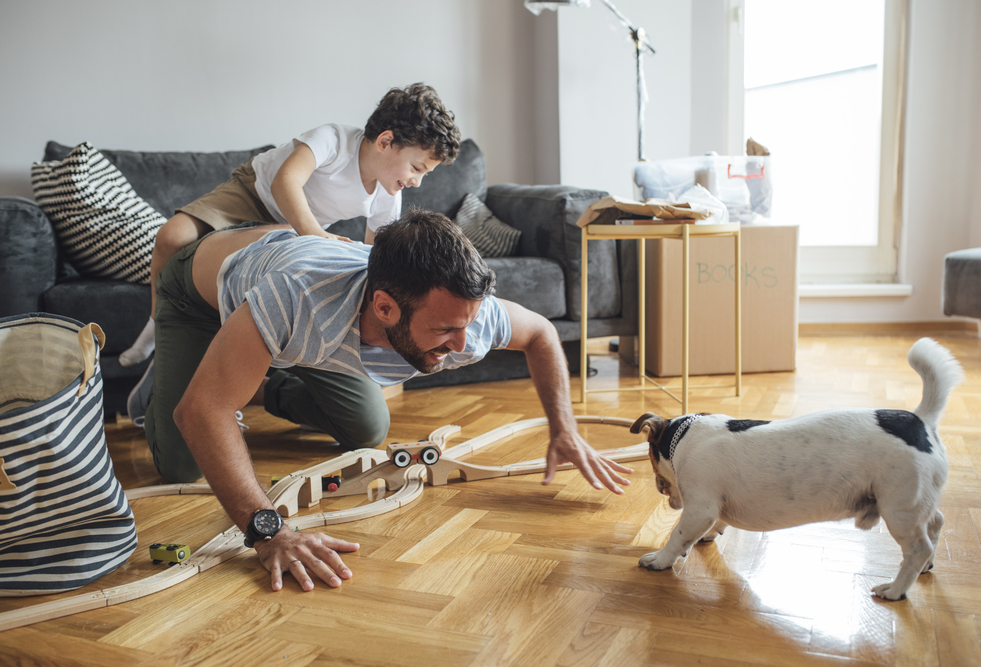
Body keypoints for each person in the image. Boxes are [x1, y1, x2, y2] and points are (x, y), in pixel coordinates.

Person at [134, 209, 633, 593]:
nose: (463, 346)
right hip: (200, 291)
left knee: (367, 429)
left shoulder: (465, 315)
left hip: (300, 329)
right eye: (444, 331)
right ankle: (189, 375)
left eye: (466, 326)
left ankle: (253, 376)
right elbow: (203, 412)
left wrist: (563, 429)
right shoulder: (298, 298)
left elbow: (542, 334)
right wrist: (269, 532)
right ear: (385, 307)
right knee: (181, 454)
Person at [118, 82, 460, 367]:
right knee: (172, 236)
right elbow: (285, 182)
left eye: (423, 174)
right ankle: (153, 329)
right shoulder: (334, 139)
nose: (417, 181)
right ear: (385, 142)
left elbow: (378, 260)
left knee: (243, 288)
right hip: (254, 195)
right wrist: (315, 236)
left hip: (284, 231)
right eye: (416, 168)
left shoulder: (388, 195)